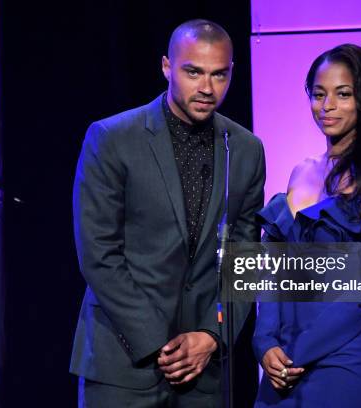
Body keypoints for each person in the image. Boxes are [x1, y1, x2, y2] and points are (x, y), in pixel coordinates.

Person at [71, 19, 265, 407]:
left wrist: (212, 335)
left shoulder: (244, 149)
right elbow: (98, 253)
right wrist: (158, 340)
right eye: (193, 72)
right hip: (123, 363)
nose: (207, 88)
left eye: (219, 75)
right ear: (166, 66)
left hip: (204, 370)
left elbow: (244, 260)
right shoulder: (112, 138)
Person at [253, 44, 361, 407]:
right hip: (281, 363)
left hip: (346, 359)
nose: (327, 105)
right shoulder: (300, 172)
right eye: (319, 95)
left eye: (342, 94)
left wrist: (298, 351)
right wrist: (265, 342)